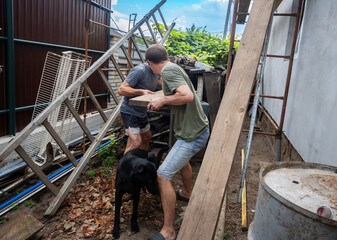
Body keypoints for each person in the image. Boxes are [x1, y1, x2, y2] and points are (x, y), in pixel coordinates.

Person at [146, 44, 210, 240]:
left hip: (193, 134)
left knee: (163, 175)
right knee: (182, 160)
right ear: (166, 56)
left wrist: (162, 101)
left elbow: (187, 96)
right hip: (195, 129)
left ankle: (169, 231)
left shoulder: (168, 71)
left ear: (150, 63)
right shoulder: (174, 67)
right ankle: (186, 192)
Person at [118, 61, 161, 154]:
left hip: (141, 111)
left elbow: (160, 82)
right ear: (150, 63)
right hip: (130, 111)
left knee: (147, 137)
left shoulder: (156, 71)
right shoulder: (139, 71)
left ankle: (140, 160)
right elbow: (121, 90)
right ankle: (124, 166)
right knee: (136, 142)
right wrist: (141, 91)